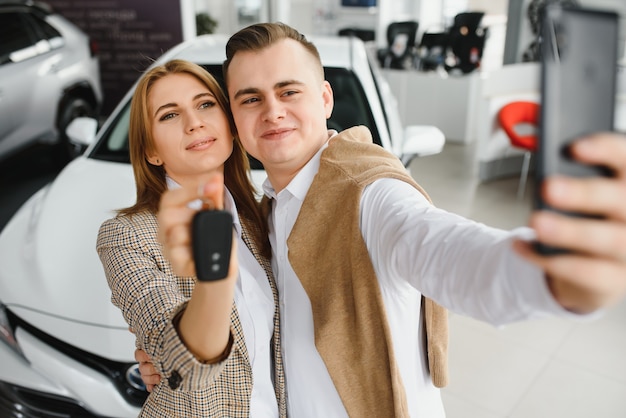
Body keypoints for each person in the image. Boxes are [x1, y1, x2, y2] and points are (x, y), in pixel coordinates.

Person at [149, 23, 626, 417]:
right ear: (235, 115)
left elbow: (443, 248)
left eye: (288, 91)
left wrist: (554, 274)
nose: (272, 112)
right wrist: (160, 362)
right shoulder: (263, 207)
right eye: (251, 98)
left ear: (325, 99)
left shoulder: (369, 191)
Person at [96, 59, 286, 417]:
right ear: (151, 150)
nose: (194, 122)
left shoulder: (262, 216)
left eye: (205, 104)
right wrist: (215, 273)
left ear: (230, 125)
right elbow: (183, 360)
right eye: (169, 115)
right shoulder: (125, 236)